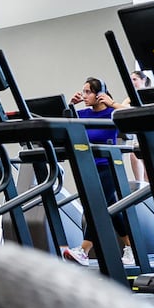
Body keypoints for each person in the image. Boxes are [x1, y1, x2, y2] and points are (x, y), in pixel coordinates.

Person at [63, 77, 135, 267]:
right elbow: (64, 124)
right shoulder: (83, 113)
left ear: (99, 94)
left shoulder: (113, 112)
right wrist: (70, 105)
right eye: (83, 91)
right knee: (112, 210)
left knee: (96, 207)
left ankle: (84, 251)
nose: (85, 96)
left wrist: (113, 103)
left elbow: (133, 114)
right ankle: (131, 247)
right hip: (89, 167)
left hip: (108, 166)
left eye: (88, 92)